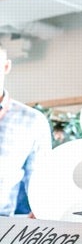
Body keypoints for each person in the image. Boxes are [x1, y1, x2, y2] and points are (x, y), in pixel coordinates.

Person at [0, 45, 51, 218]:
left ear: (6, 66)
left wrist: (41, 209)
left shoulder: (32, 120)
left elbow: (39, 178)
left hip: (4, 226)